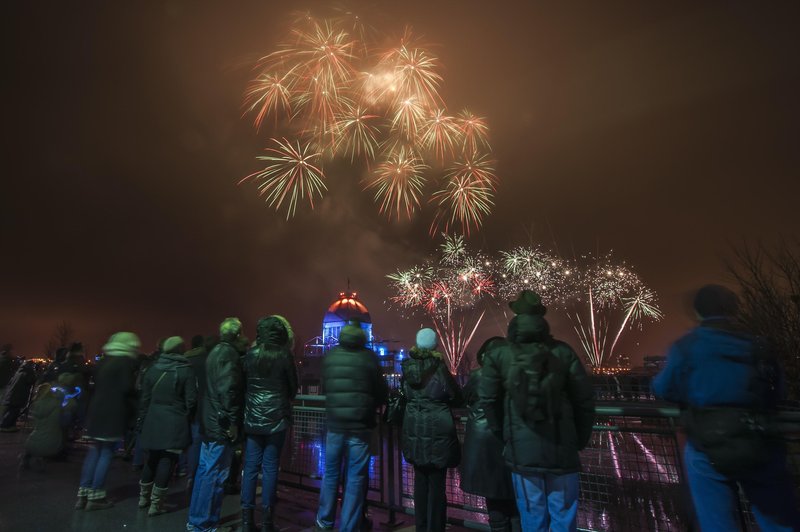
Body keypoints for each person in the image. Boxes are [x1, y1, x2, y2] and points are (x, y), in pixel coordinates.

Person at [652, 284, 800, 531]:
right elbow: (779, 391)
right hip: (759, 438)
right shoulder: (759, 345)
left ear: (697, 313)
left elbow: (663, 388)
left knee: (716, 522)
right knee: (779, 520)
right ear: (734, 309)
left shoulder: (686, 347)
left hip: (706, 444)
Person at [480, 290, 595, 532]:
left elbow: (489, 400)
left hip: (521, 453)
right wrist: (578, 439)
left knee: (532, 517)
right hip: (562, 449)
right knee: (564, 516)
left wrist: (506, 436)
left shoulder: (499, 354)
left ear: (515, 317)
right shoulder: (564, 352)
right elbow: (584, 401)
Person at [314, 320, 388, 532]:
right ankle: (348, 527)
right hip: (360, 427)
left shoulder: (330, 357)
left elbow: (325, 387)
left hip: (335, 426)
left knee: (330, 474)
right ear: (364, 335)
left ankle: (323, 522)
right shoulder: (369, 358)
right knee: (355, 479)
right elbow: (381, 392)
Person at [400, 327, 463, 532]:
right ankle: (435, 528)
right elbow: (456, 396)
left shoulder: (406, 368)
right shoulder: (439, 367)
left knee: (420, 482)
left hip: (414, 431)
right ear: (435, 345)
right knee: (437, 485)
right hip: (438, 434)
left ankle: (421, 526)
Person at [187, 317, 245, 532]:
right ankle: (204, 524)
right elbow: (228, 390)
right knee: (215, 474)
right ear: (238, 334)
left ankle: (196, 519)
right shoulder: (229, 354)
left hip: (208, 421)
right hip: (219, 424)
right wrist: (232, 421)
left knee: (204, 472)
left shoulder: (213, 353)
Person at [240, 316, 298, 532]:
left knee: (251, 467)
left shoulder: (250, 354)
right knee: (271, 468)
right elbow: (293, 387)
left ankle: (246, 521)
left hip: (253, 417)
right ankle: (267, 521)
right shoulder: (284, 355)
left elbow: (243, 383)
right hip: (277, 419)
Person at [75, 332, 141, 511]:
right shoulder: (125, 363)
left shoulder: (104, 361)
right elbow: (127, 388)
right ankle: (96, 495)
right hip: (113, 414)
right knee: (106, 453)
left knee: (94, 452)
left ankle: (83, 493)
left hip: (96, 412)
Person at [460, 337, 520, 532]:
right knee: (516, 500)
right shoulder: (517, 373)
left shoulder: (478, 375)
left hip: (483, 444)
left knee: (493, 499)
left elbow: (465, 397)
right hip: (513, 441)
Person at [136, 336, 197, 516]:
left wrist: (142, 420)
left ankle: (143, 498)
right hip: (174, 420)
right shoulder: (186, 370)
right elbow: (191, 400)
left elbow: (144, 399)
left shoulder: (152, 369)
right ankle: (157, 504)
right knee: (167, 460)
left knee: (152, 459)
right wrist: (186, 416)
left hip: (152, 418)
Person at [21, 382, 77, 469]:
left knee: (39, 438)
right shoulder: (57, 403)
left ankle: (31, 456)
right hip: (52, 443)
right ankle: (42, 458)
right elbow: (72, 406)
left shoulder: (36, 404)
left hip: (32, 441)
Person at [183, 334, 209, 488]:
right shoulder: (207, 361)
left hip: (188, 408)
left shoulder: (186, 361)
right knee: (203, 442)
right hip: (204, 407)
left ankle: (189, 475)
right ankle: (198, 476)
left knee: (192, 442)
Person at [1, 360, 38, 432]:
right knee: (13, 411)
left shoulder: (19, 371)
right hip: (18, 395)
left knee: (11, 410)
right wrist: (34, 374)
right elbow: (30, 380)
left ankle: (9, 424)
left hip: (12, 394)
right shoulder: (27, 372)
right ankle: (6, 425)